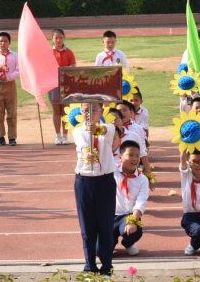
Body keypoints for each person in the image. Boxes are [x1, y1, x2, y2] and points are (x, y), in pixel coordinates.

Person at [73, 103, 120, 275]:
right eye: (85, 110)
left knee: (105, 225)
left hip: (104, 182)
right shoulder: (78, 131)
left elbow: (105, 132)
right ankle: (89, 266)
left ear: (101, 111)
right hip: (84, 182)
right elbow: (81, 145)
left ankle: (107, 267)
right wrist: (86, 153)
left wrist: (97, 129)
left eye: (93, 110)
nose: (88, 114)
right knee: (87, 226)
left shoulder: (108, 128)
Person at [113, 140, 149, 256]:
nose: (135, 159)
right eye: (130, 155)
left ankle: (128, 243)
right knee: (100, 251)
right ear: (120, 157)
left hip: (128, 216)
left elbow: (141, 202)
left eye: (137, 155)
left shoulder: (142, 179)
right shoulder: (112, 172)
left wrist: (133, 221)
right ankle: (110, 242)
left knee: (135, 231)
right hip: (110, 216)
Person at [50, 28, 77, 145]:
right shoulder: (48, 52)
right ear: (52, 39)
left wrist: (65, 71)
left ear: (64, 38)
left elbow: (73, 67)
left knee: (66, 110)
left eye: (60, 37)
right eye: (56, 38)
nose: (58, 40)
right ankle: (58, 135)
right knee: (56, 110)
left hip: (66, 85)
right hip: (53, 85)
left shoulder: (69, 52)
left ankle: (65, 135)